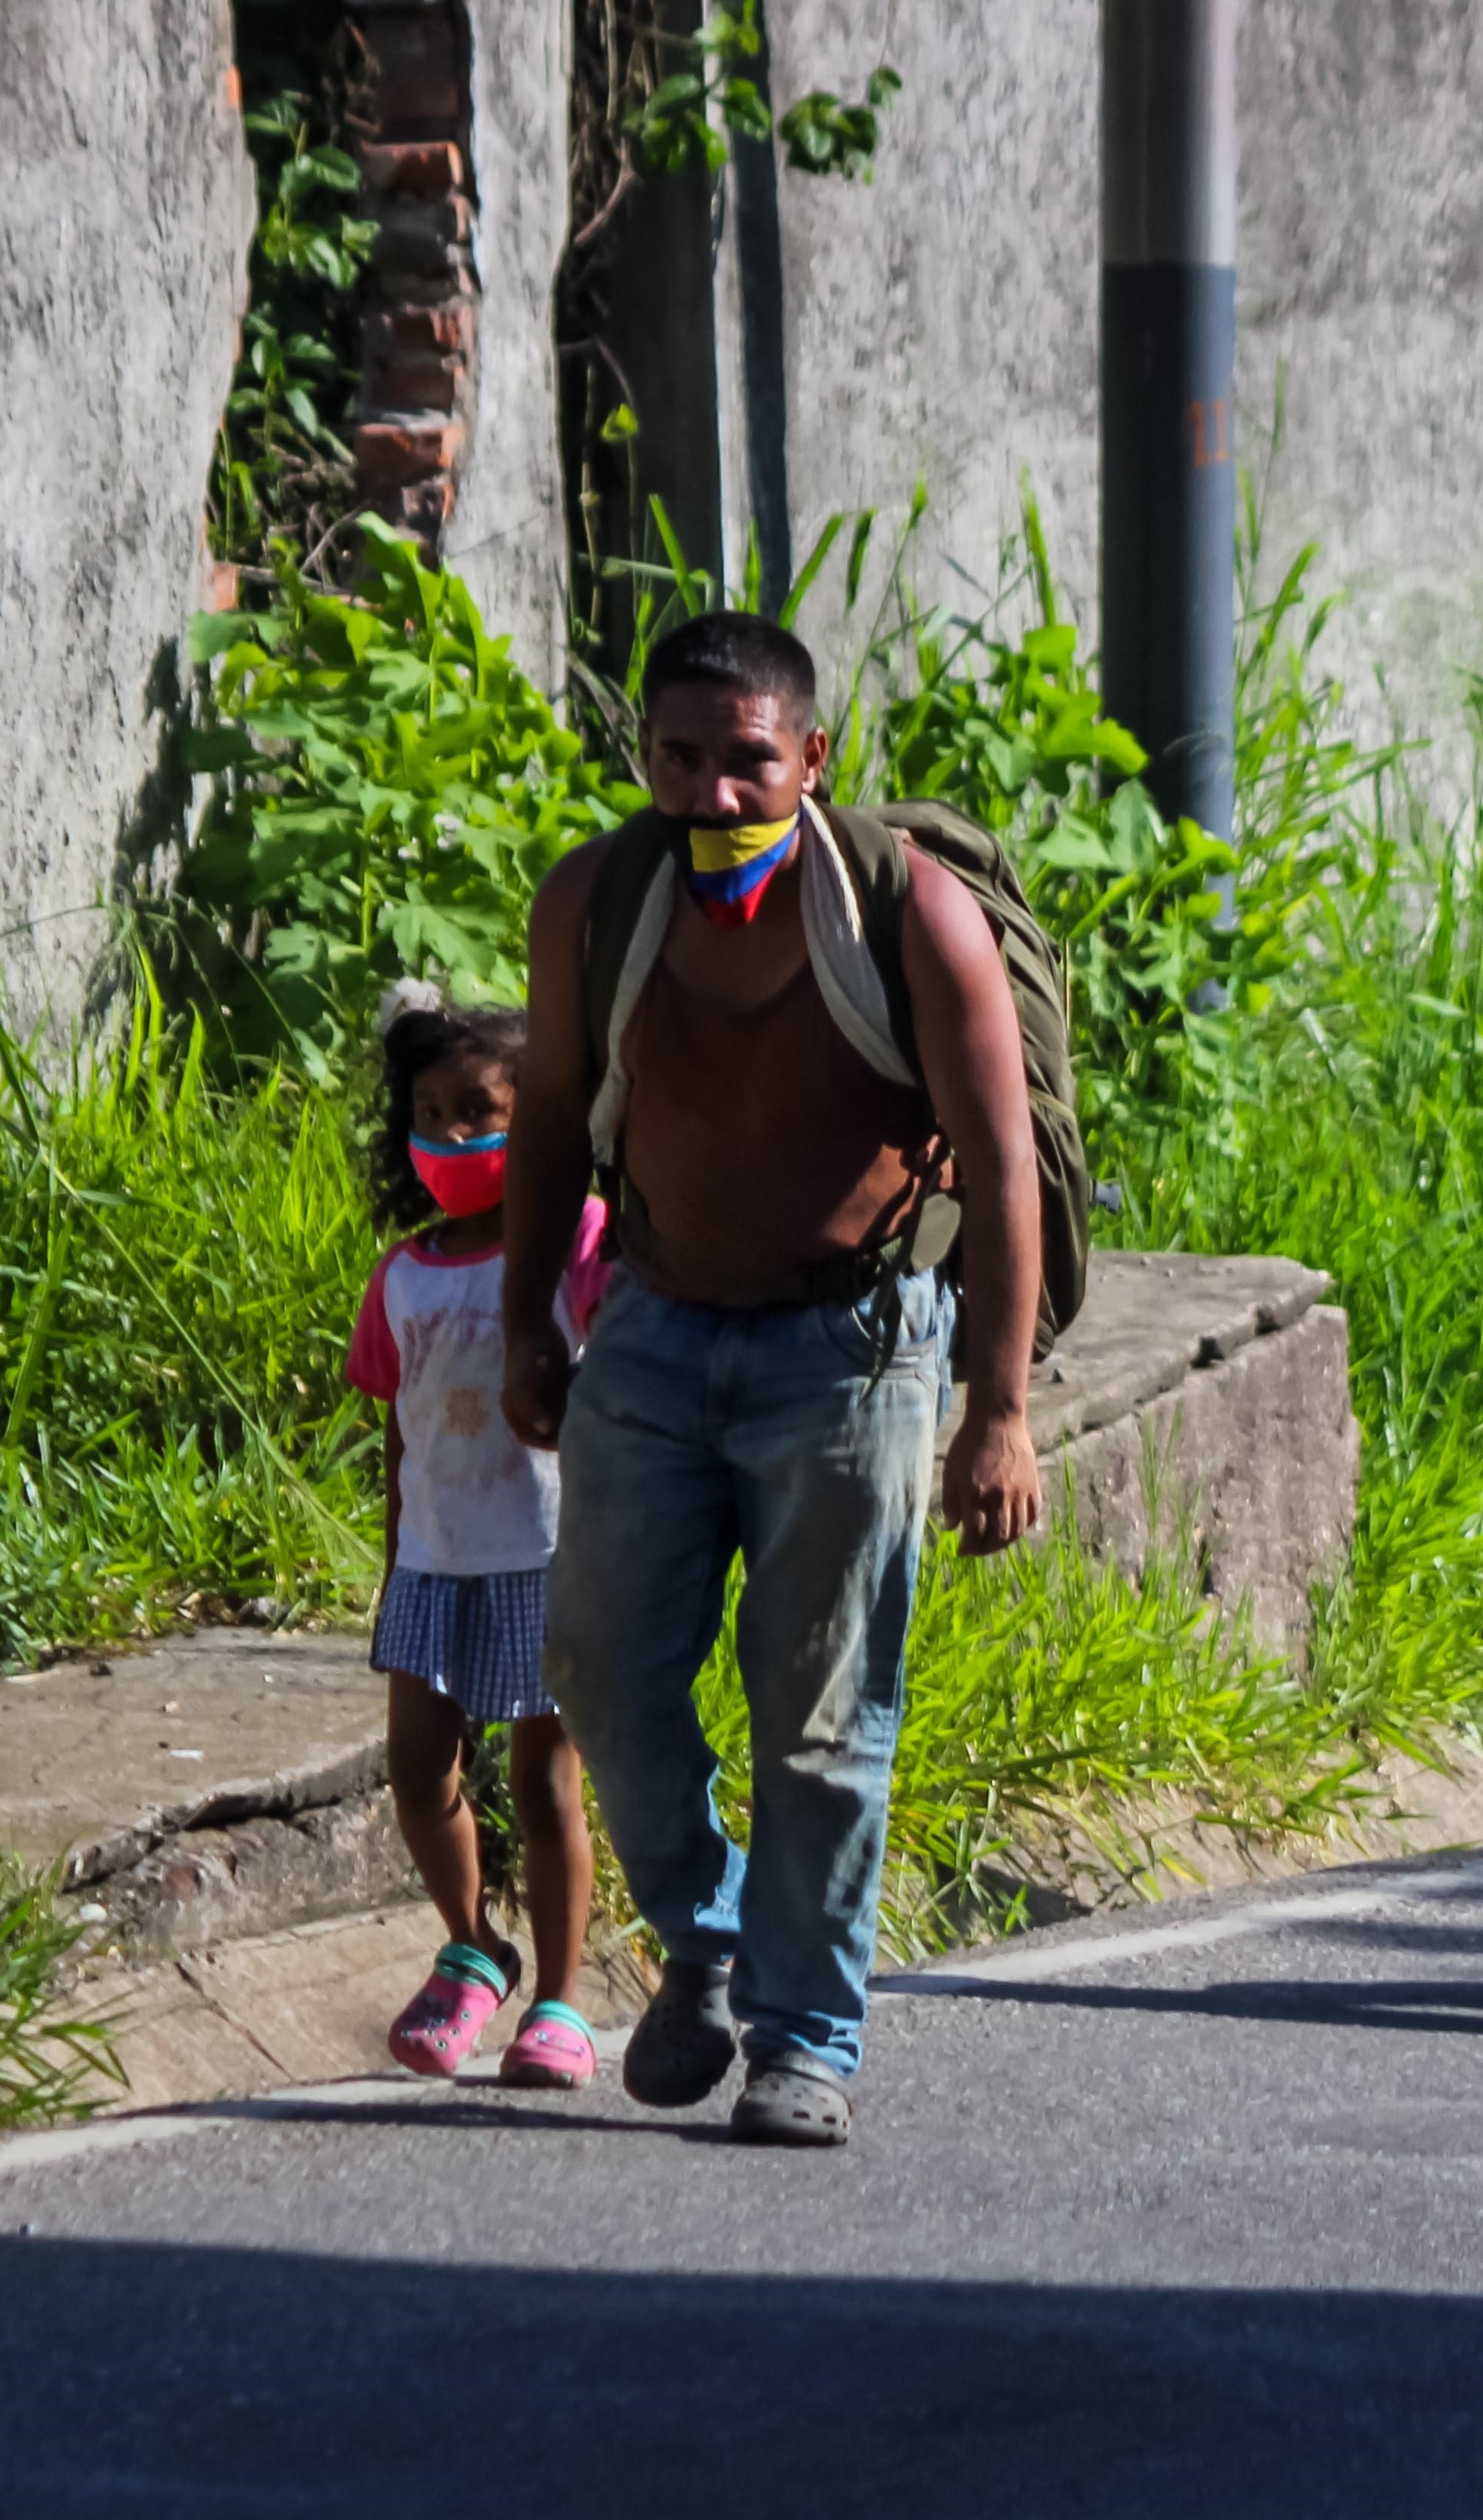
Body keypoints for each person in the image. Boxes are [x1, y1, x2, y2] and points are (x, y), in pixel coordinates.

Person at [501, 610, 1046, 2149]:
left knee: (821, 1715)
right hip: (654, 1333)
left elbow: (1000, 1164)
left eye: (749, 760)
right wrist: (528, 1317)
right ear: (644, 760)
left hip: (852, 1347)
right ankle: (718, 1926)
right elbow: (550, 1116)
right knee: (599, 1664)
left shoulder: (907, 915)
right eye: (680, 757)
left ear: (813, 757)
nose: (714, 792)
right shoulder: (597, 902)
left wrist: (995, 1409)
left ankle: (807, 2039)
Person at [347, 986, 609, 2088]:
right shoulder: (402, 1278)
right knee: (418, 1772)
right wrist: (397, 1560)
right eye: (432, 1113)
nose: (453, 1134)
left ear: (541, 1118)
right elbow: (400, 1441)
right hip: (434, 1567)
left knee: (548, 1785)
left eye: (481, 1109)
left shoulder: (579, 1244)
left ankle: (557, 1998)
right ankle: (474, 1945)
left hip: (545, 1558)